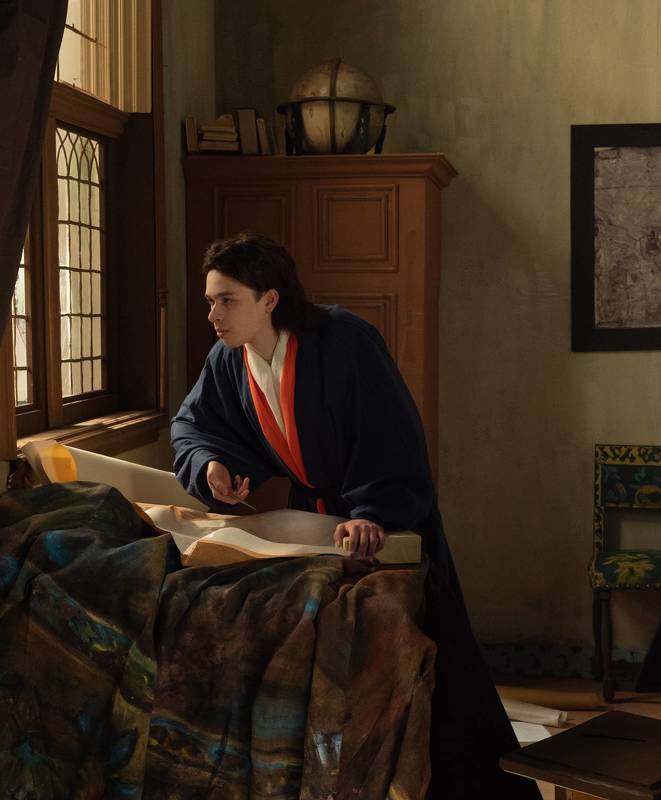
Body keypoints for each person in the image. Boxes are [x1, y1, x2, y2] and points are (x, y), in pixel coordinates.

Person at [171, 232, 541, 799]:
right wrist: (210, 464)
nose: (214, 315)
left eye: (227, 300)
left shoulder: (343, 339)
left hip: (386, 519)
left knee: (432, 674)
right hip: (314, 524)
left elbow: (392, 432)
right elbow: (192, 425)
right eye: (210, 301)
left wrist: (373, 512)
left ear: (269, 300)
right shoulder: (227, 359)